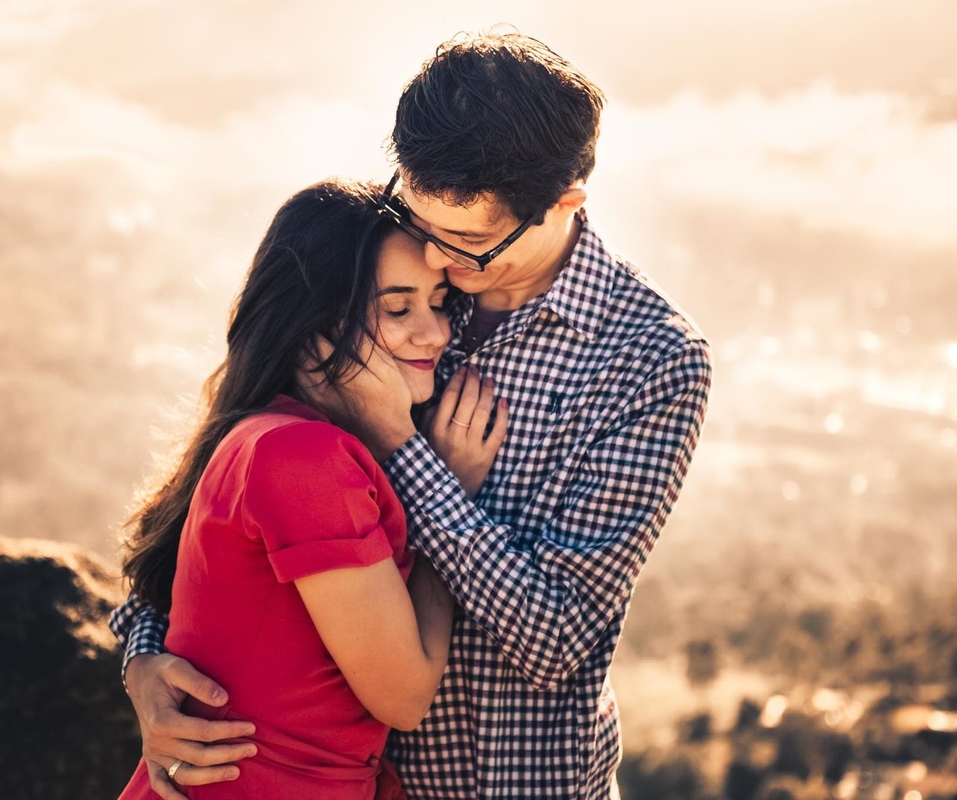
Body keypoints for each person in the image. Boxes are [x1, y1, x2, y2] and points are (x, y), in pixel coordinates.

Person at [113, 31, 713, 800]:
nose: (435, 262)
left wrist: (408, 453)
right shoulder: (380, 262)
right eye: (420, 222)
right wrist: (142, 660)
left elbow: (557, 636)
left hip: (517, 786)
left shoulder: (649, 359)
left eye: (464, 243)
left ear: (565, 203)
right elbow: (217, 499)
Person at [115, 177, 508, 799]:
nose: (435, 334)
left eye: (438, 303)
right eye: (397, 309)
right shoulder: (301, 456)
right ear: (313, 328)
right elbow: (405, 696)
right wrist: (449, 489)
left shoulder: (276, 437)